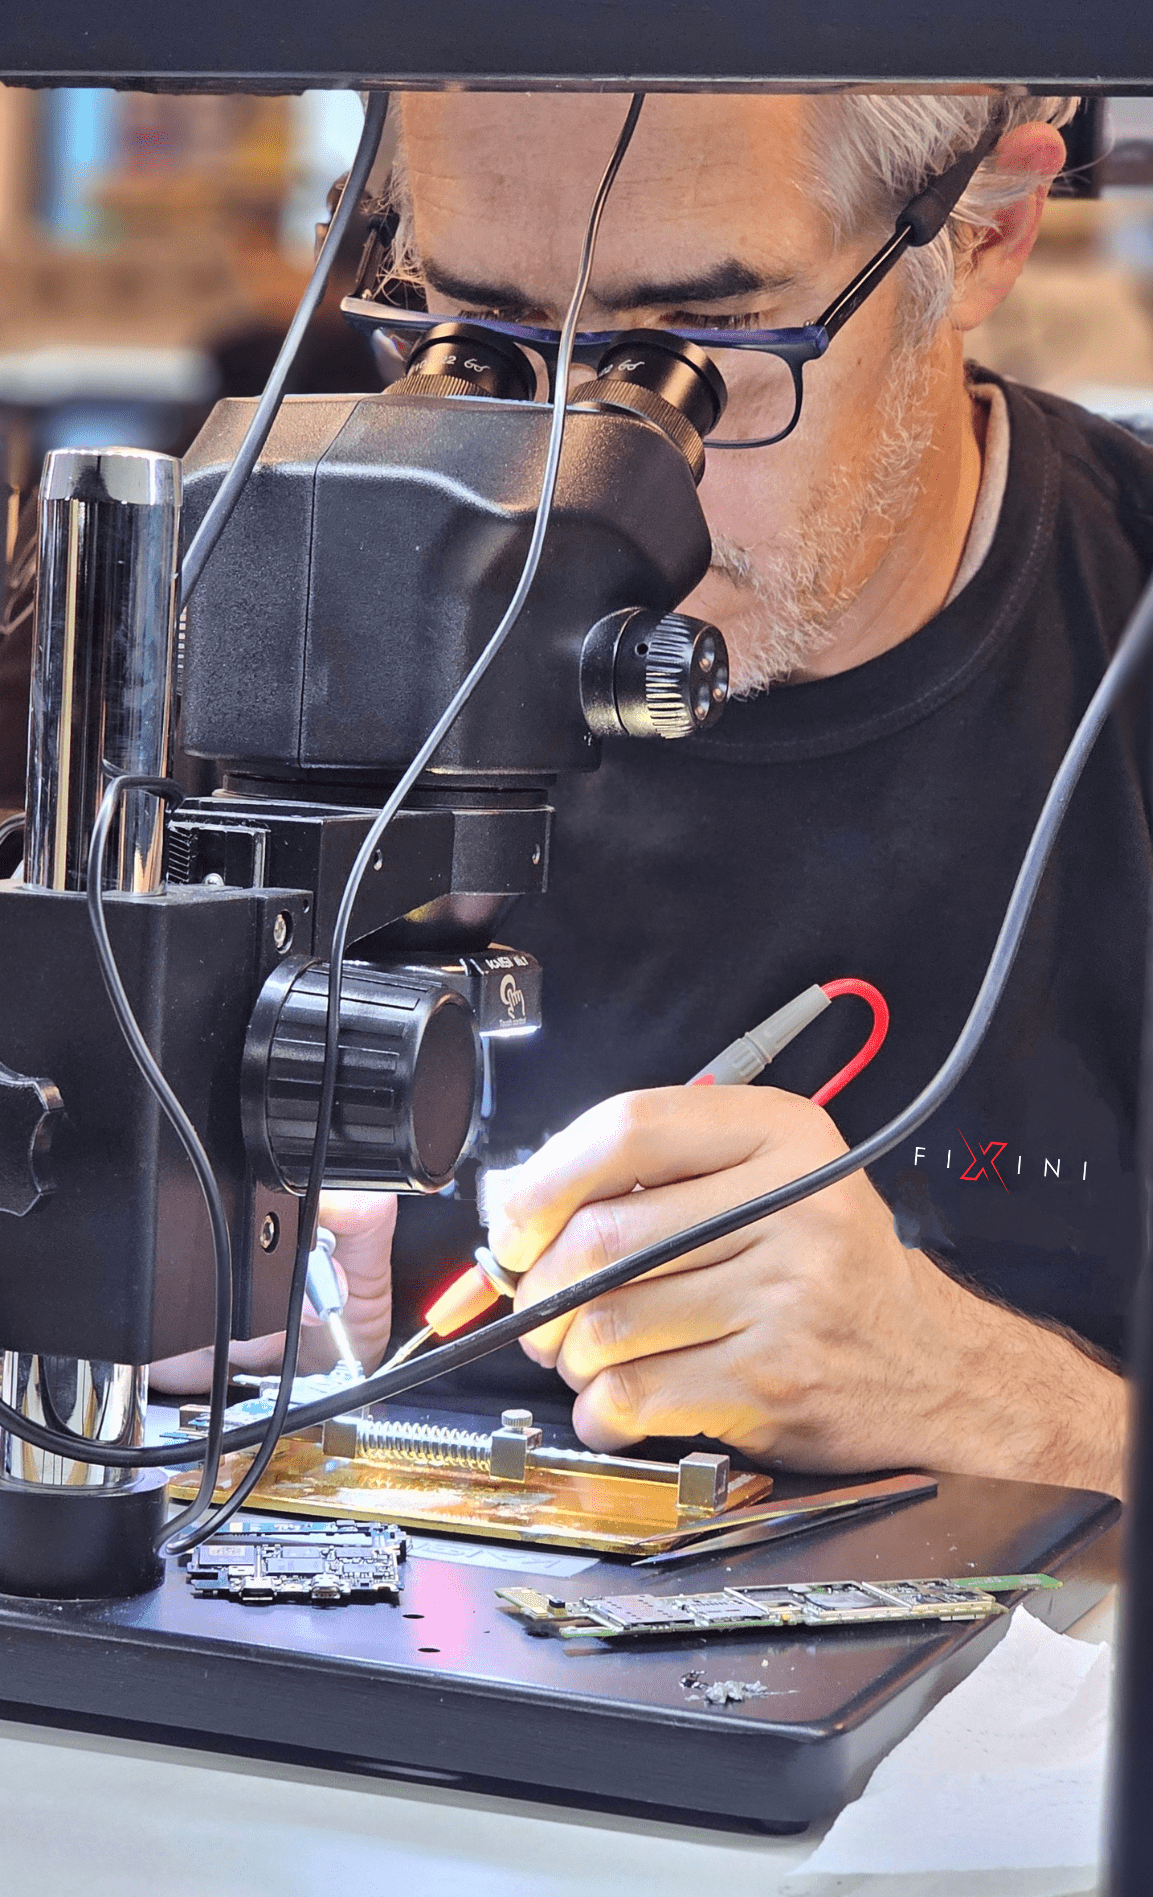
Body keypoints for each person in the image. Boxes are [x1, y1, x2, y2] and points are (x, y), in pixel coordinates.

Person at [156, 89, 1153, 1501]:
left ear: (985, 231)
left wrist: (980, 1395)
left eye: (685, 356)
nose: (583, 473)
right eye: (482, 344)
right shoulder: (236, 611)